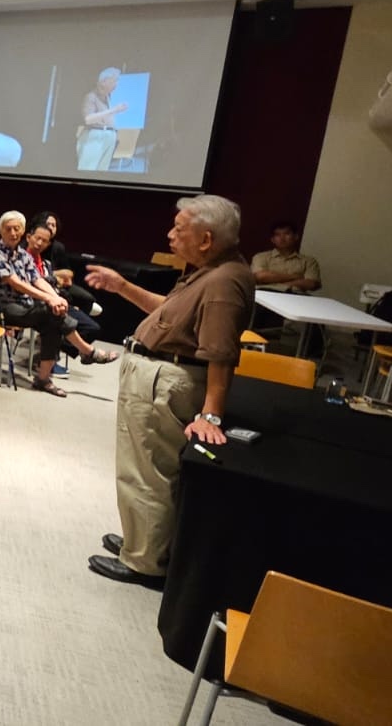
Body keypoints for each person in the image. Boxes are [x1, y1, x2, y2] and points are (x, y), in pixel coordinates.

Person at [84, 195, 253, 586]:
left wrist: (211, 415)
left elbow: (221, 354)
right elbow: (167, 312)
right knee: (145, 466)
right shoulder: (210, 271)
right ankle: (143, 541)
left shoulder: (224, 282)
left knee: (148, 471)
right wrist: (122, 286)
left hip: (166, 381)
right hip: (158, 375)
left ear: (206, 239)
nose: (170, 235)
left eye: (179, 229)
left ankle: (145, 559)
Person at [0, 211, 117, 397]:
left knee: (53, 319)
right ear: (0, 230)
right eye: (8, 229)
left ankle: (43, 379)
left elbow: (37, 280)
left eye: (16, 228)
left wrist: (56, 297)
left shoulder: (22, 254)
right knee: (50, 310)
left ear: (23, 230)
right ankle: (87, 351)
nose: (12, 233)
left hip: (22, 305)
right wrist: (49, 299)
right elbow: (17, 284)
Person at [25, 220, 103, 350]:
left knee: (92, 328)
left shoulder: (46, 264)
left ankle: (52, 346)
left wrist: (66, 301)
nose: (39, 243)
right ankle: (53, 350)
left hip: (59, 301)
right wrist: (54, 281)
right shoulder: (20, 260)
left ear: (48, 244)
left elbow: (65, 279)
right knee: (55, 326)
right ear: (28, 237)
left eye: (44, 241)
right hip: (39, 305)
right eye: (37, 238)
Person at [78, 67, 127, 172]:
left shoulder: (108, 98)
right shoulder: (91, 97)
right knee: (88, 170)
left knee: (101, 172)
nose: (116, 84)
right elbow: (88, 119)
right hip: (95, 138)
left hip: (108, 138)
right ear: (103, 81)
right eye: (114, 81)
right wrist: (114, 110)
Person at [251, 220, 321, 293]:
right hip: (265, 294)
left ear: (296, 237)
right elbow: (260, 277)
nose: (282, 238)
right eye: (277, 235)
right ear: (272, 240)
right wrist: (297, 277)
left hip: (296, 296)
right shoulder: (260, 257)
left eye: (287, 233)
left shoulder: (309, 261)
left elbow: (312, 284)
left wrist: (276, 284)